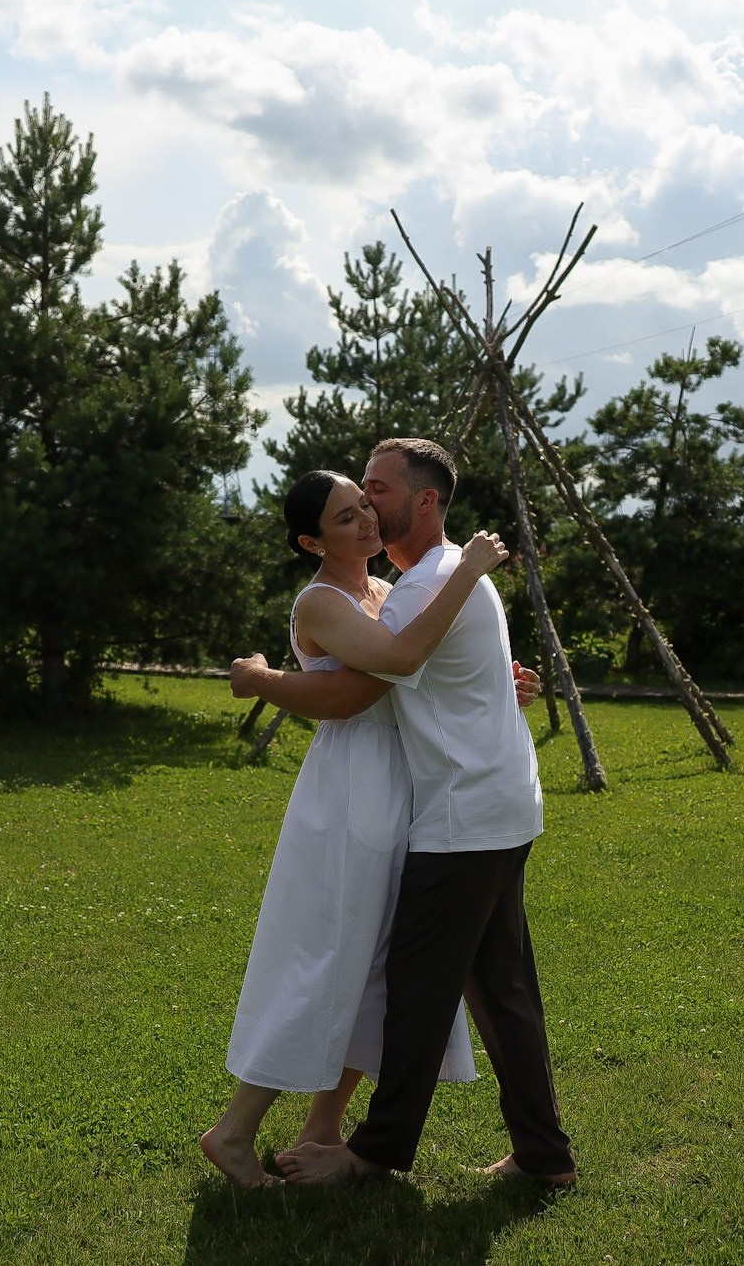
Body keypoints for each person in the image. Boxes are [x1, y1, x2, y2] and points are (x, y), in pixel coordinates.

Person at [230, 438, 576, 1188]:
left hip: (457, 816)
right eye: (353, 501)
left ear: (423, 501)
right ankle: (544, 1156)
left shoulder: (421, 585)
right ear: (312, 537)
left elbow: (386, 672)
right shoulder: (441, 577)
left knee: (413, 991)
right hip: (483, 803)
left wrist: (262, 679)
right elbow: (399, 674)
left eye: (375, 491)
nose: (367, 506)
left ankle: (370, 1151)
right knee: (496, 987)